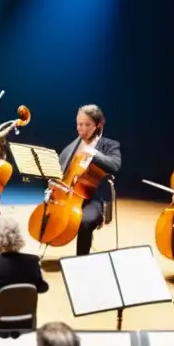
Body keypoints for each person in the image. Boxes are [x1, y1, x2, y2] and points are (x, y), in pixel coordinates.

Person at [57, 105, 121, 256]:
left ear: (97, 125)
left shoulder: (109, 145)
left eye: (87, 125)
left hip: (95, 200)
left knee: (84, 221)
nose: (81, 129)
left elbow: (115, 165)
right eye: (79, 124)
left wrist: (93, 152)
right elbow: (60, 170)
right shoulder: (72, 147)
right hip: (70, 196)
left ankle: (81, 259)